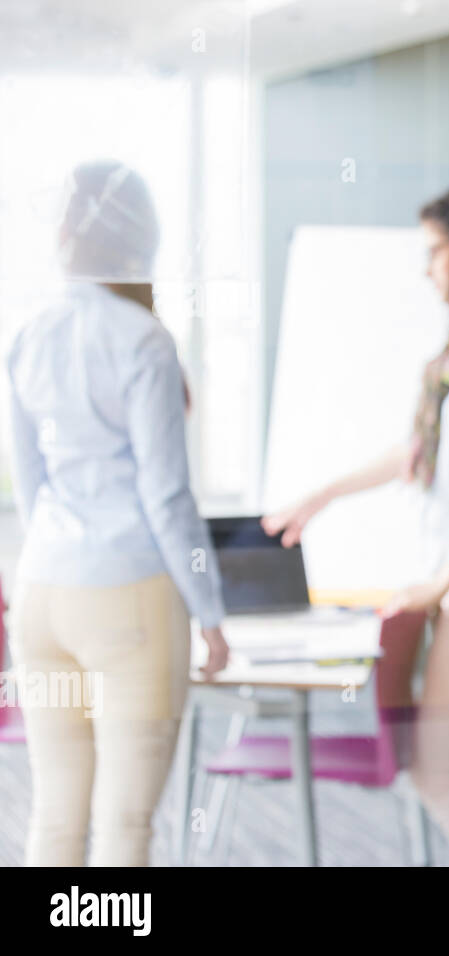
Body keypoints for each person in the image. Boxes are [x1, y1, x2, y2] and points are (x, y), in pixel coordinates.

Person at [264, 184, 449, 867]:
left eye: (436, 251)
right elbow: (416, 453)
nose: (427, 267)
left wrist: (438, 585)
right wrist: (320, 497)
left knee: (437, 767)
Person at [5, 161, 228, 867]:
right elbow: (166, 497)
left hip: (39, 595)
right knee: (125, 826)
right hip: (128, 596)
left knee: (56, 818)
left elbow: (28, 482)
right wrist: (211, 614)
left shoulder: (26, 335)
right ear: (144, 243)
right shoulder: (143, 340)